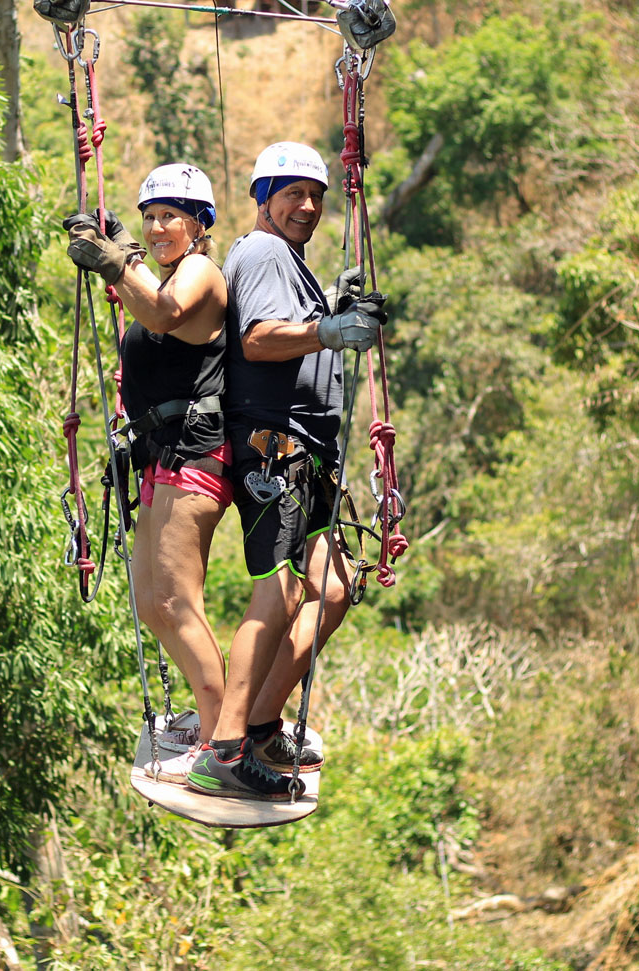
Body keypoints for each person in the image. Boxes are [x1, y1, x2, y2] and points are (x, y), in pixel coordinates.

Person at [185, 141, 388, 801]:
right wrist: (329, 329)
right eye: (292, 193)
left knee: (332, 590)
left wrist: (330, 305)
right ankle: (224, 745)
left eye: (315, 195)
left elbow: (290, 320)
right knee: (280, 593)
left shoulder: (291, 262)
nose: (307, 205)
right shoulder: (265, 251)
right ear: (263, 196)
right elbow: (258, 337)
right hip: (276, 445)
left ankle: (264, 721)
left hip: (310, 452)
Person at [63, 164, 231, 784]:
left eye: (172, 216)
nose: (159, 227)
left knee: (176, 602)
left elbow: (162, 314)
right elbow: (146, 299)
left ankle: (221, 737)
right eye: (150, 217)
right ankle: (208, 712)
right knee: (150, 604)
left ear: (200, 224)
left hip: (197, 456)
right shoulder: (166, 269)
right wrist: (118, 250)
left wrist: (115, 261)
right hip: (163, 454)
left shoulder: (201, 272)